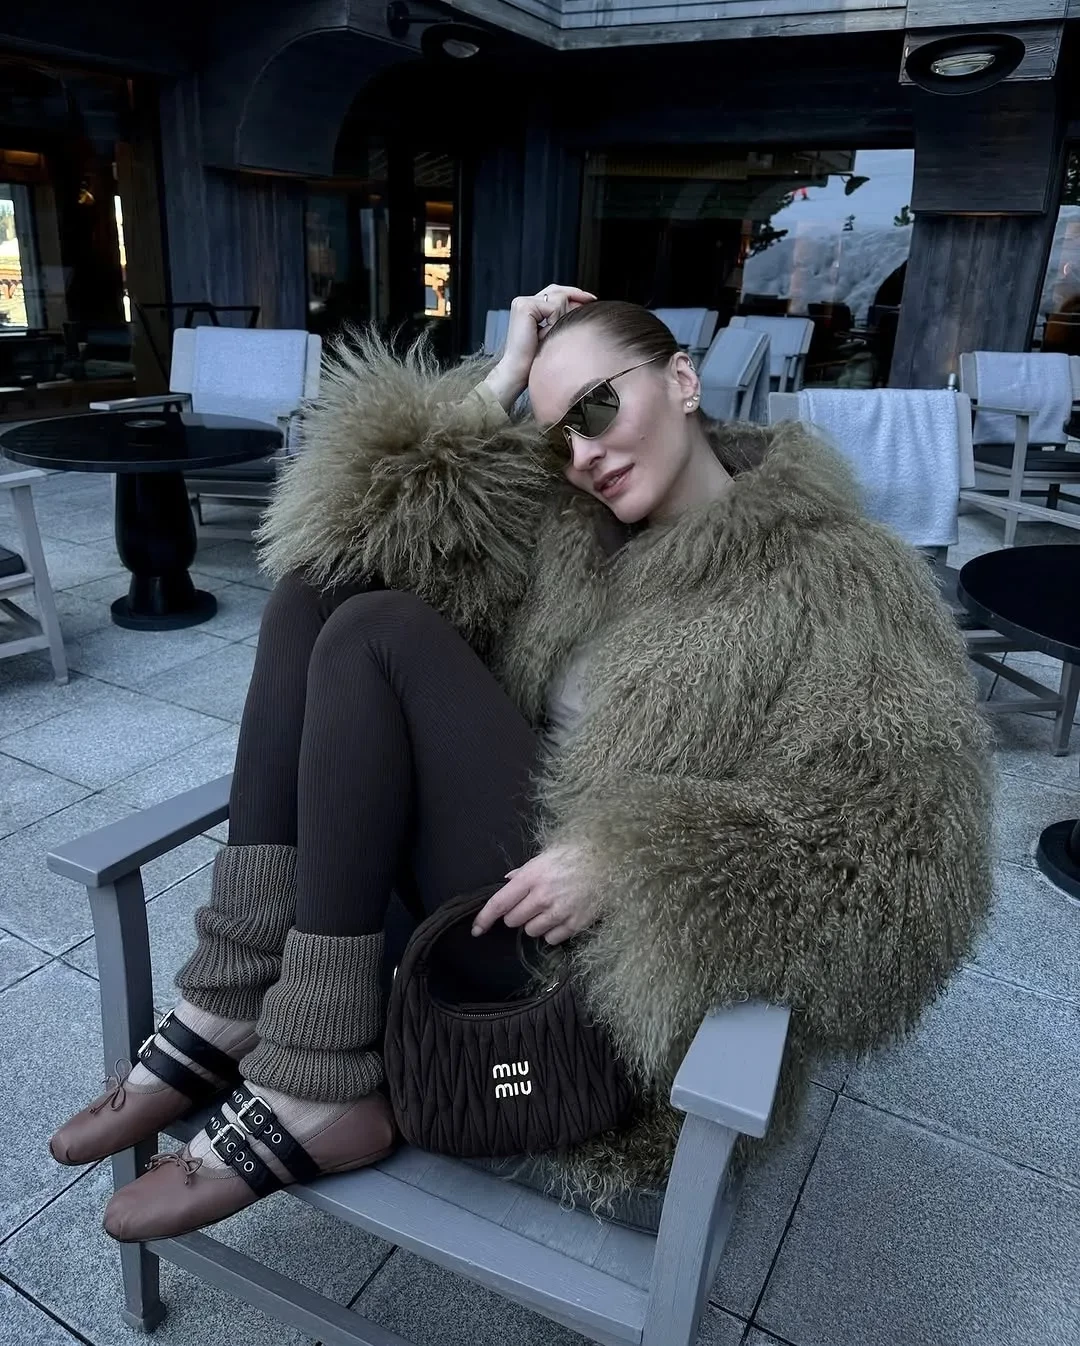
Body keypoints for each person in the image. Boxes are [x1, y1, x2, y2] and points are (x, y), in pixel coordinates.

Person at [50, 287, 992, 1240]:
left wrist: (635, 861)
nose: (583, 455)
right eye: (557, 437)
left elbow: (908, 854)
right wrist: (502, 377)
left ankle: (320, 1080)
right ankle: (236, 986)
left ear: (682, 379)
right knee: (318, 591)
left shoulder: (843, 575)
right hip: (493, 879)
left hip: (602, 967)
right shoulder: (570, 530)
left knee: (379, 633)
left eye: (597, 408)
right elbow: (351, 530)